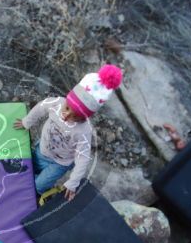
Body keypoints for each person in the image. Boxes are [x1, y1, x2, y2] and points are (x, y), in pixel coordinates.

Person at [14, 64, 123, 200]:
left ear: (85, 117)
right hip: (42, 149)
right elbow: (40, 107)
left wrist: (73, 182)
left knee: (38, 185)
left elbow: (82, 158)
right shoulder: (57, 103)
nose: (66, 115)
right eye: (67, 108)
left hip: (60, 163)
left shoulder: (83, 131)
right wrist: (27, 122)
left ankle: (39, 195)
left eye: (75, 116)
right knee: (27, 169)